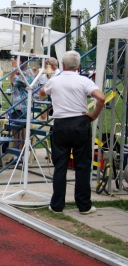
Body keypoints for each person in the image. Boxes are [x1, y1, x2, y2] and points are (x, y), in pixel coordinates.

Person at [39, 51, 105, 215]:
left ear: (62, 65)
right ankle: (84, 205)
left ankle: (57, 205)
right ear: (79, 66)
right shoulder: (84, 80)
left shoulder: (54, 81)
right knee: (82, 165)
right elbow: (101, 98)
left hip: (61, 123)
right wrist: (94, 115)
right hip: (80, 123)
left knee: (60, 165)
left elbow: (41, 92)